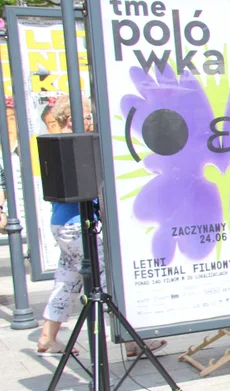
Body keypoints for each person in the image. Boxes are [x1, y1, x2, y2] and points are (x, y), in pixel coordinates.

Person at [36, 97, 165, 360]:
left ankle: (47, 337)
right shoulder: (75, 144)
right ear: (69, 117)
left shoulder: (55, 143)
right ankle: (130, 342)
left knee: (67, 280)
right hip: (77, 224)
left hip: (63, 224)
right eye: (85, 115)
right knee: (109, 280)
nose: (89, 120)